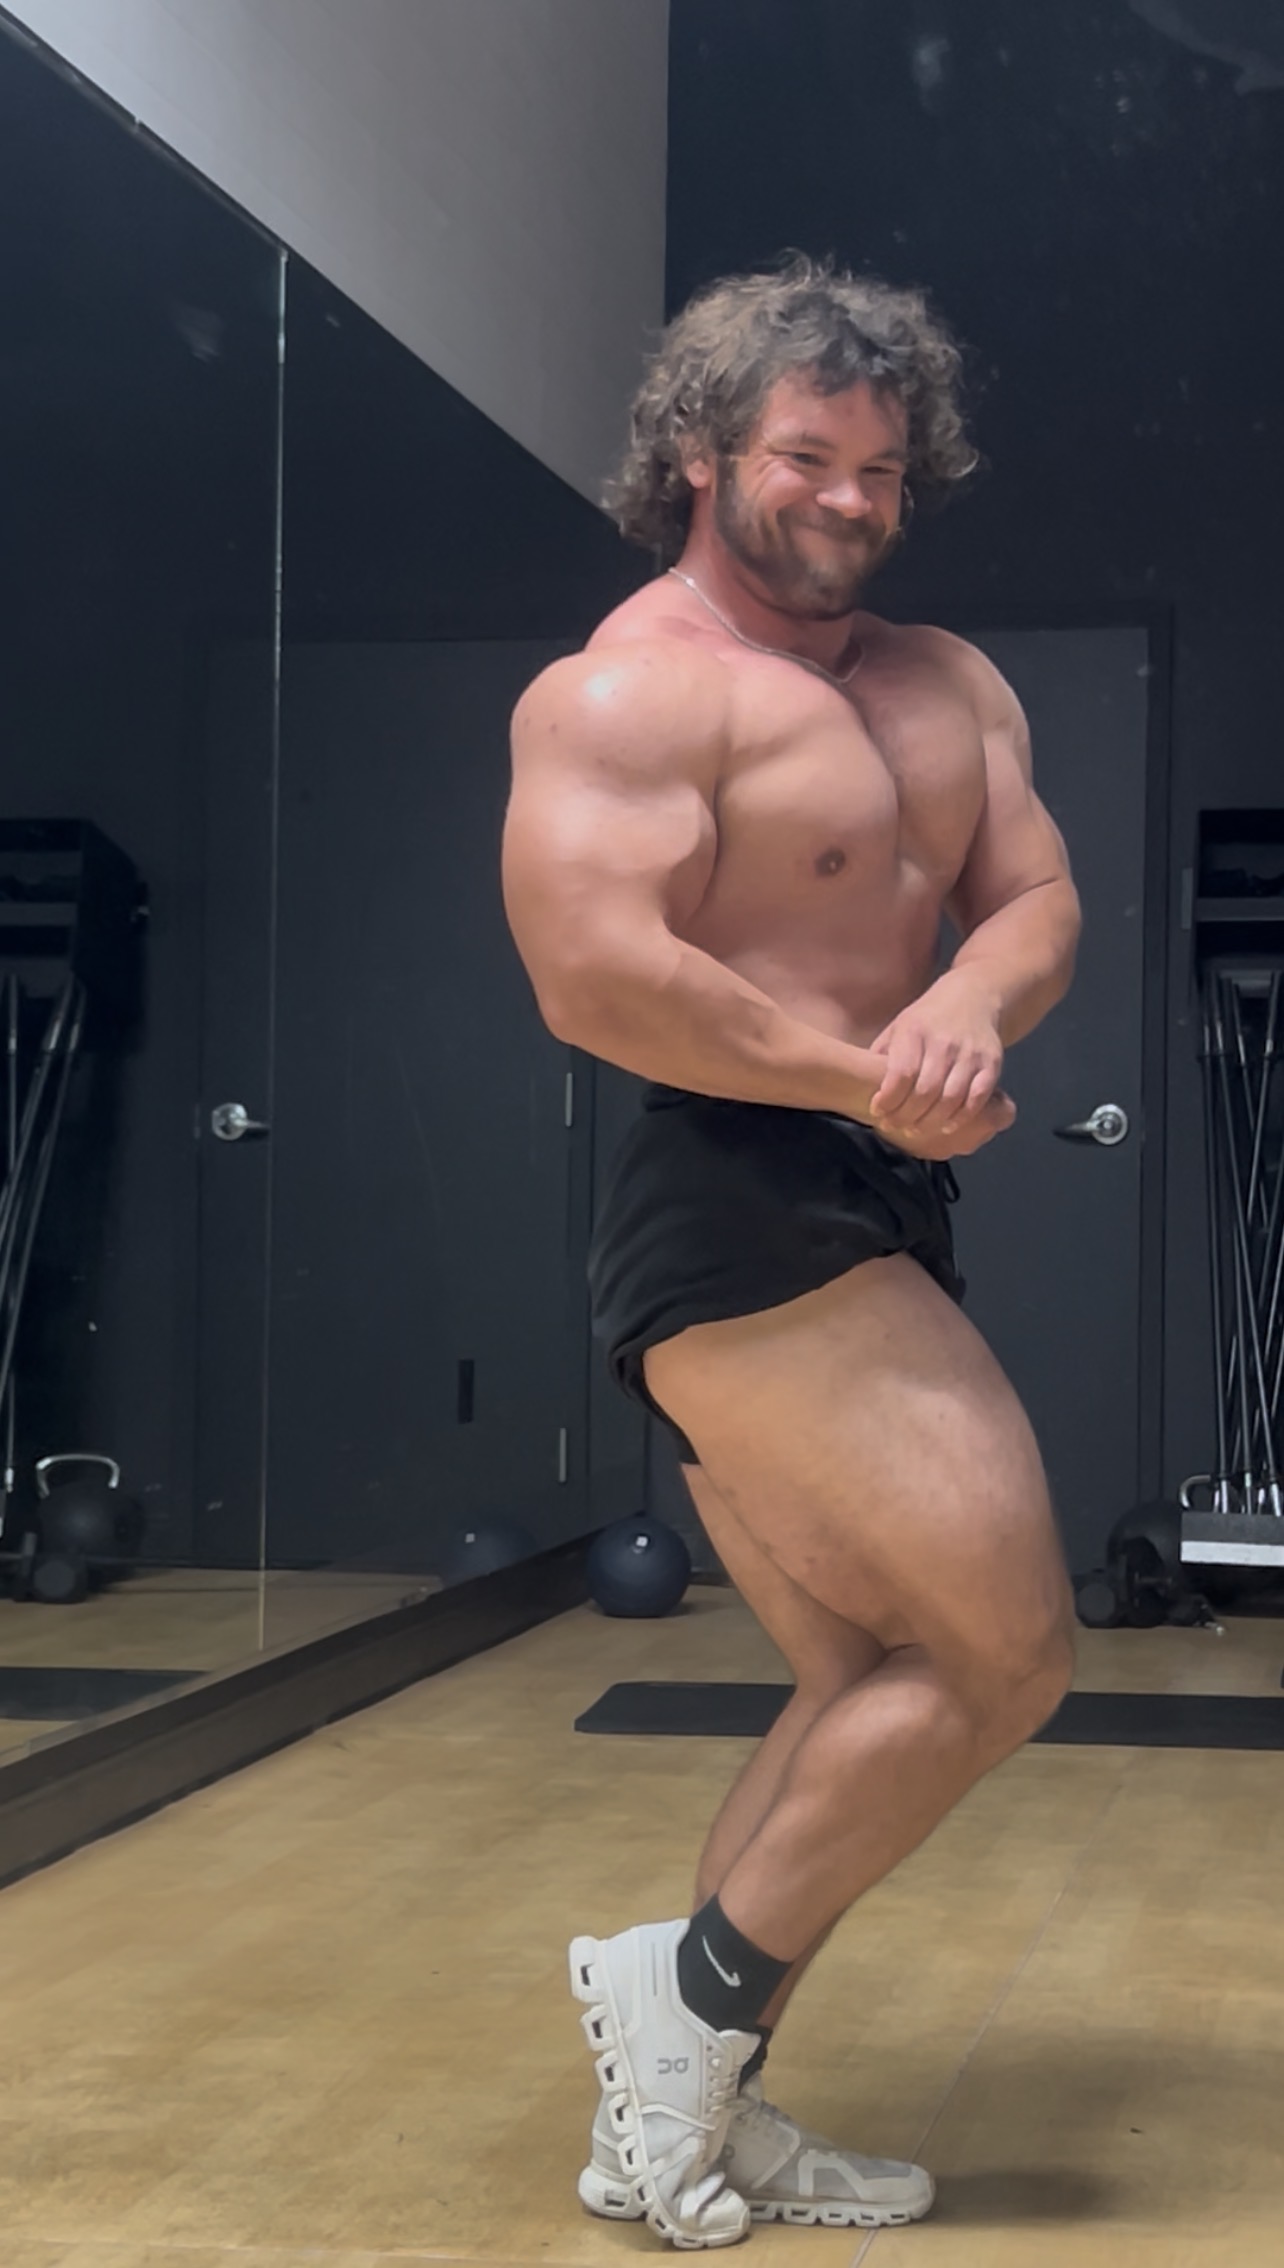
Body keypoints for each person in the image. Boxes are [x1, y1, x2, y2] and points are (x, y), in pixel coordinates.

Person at [501, 254, 1082, 2250]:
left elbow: (1035, 897)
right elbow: (597, 974)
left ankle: (684, 2122)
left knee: (871, 1677)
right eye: (807, 457)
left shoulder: (948, 679)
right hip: (736, 1197)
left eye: (882, 470)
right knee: (1009, 1655)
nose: (848, 498)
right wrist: (863, 1075)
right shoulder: (630, 689)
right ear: (699, 449)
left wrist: (969, 1007)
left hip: (873, 1183)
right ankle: (681, 2000)